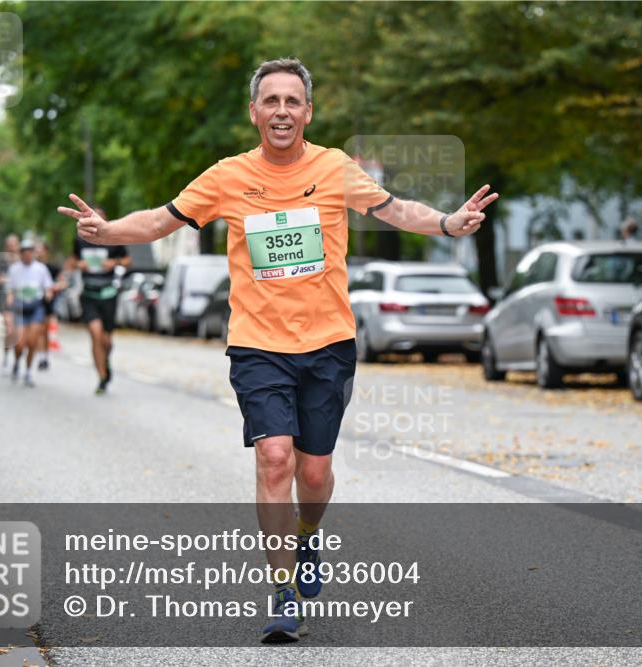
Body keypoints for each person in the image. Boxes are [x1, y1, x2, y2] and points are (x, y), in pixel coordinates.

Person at [57, 58, 497, 643]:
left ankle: (307, 534)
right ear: (254, 112)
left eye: (292, 101)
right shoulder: (227, 177)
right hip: (257, 346)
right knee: (274, 458)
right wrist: (109, 230)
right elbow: (162, 221)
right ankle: (282, 592)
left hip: (328, 344)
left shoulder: (334, 168)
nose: (282, 111)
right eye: (271, 101)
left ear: (308, 112)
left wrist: (447, 222)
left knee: (314, 474)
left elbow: (395, 209)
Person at [67, 208, 129, 394]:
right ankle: (102, 377)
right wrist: (79, 264)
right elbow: (71, 263)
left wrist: (114, 263)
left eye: (99, 217)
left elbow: (128, 261)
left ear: (105, 220)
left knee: (106, 341)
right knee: (95, 334)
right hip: (89, 295)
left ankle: (106, 360)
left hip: (109, 294)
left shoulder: (114, 239)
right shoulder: (80, 240)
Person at [6, 239, 54, 387]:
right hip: (20, 308)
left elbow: (48, 286)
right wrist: (9, 300)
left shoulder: (41, 269)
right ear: (20, 254)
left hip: (36, 308)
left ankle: (28, 371)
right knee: (20, 343)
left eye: (29, 252)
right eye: (24, 253)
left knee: (32, 342)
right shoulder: (14, 269)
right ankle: (16, 362)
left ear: (33, 253)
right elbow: (10, 290)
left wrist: (48, 294)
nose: (27, 255)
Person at [35, 240, 66, 371]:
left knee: (45, 331)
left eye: (40, 249)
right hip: (35, 302)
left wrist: (54, 287)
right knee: (38, 330)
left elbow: (63, 283)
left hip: (48, 302)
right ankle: (41, 357)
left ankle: (45, 356)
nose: (38, 252)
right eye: (36, 249)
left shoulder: (53, 268)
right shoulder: (32, 267)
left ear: (46, 251)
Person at [0, 234, 20, 374]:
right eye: (9, 245)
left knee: (19, 333)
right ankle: (5, 357)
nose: (11, 248)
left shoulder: (23, 261)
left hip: (21, 300)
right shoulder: (1, 261)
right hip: (5, 299)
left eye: (14, 245)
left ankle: (17, 361)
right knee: (9, 329)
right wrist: (3, 280)